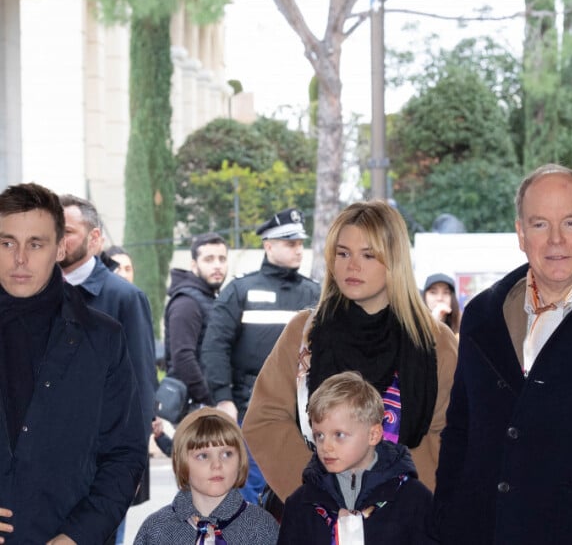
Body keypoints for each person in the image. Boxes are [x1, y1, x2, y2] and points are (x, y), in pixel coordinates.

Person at [242, 199, 458, 505]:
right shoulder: (303, 334)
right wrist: (316, 491)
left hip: (408, 522)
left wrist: (402, 498)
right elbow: (264, 421)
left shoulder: (436, 342)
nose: (352, 266)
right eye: (342, 253)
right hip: (318, 519)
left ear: (394, 259)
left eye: (368, 255)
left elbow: (453, 434)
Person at [434, 163, 572, 544]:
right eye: (539, 224)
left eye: (570, 222)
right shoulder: (483, 315)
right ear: (520, 233)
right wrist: (445, 526)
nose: (556, 241)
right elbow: (460, 432)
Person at [0, 182, 146, 543]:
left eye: (35, 244)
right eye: (7, 243)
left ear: (60, 247)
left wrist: (77, 535)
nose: (20, 259)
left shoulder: (102, 338)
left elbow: (125, 456)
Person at [201, 207, 321, 503]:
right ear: (269, 246)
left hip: (303, 411)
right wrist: (223, 398)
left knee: (300, 491)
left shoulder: (315, 293)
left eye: (299, 243)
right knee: (250, 492)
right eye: (290, 243)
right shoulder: (241, 290)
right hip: (250, 407)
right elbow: (215, 346)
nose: (298, 250)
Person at [58, 194, 157, 544]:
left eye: (67, 230)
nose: (57, 238)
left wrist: (127, 470)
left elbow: (142, 386)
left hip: (101, 468)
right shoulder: (34, 293)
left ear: (95, 239)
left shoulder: (124, 298)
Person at [278, 371, 436, 544]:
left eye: (339, 434)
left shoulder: (413, 499)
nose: (326, 446)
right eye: (319, 435)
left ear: (373, 435)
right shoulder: (302, 504)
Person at [134, 407, 279, 544]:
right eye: (203, 456)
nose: (217, 464)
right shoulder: (155, 530)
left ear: (241, 460)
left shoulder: (263, 528)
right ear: (182, 462)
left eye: (226, 454)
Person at [164, 232, 228, 409]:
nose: (217, 266)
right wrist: (209, 399)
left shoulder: (209, 297)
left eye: (222, 259)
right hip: (195, 406)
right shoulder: (187, 303)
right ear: (194, 265)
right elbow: (182, 357)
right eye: (209, 259)